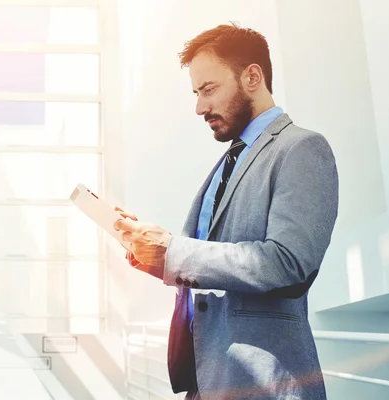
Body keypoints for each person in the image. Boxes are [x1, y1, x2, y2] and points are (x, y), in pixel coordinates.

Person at [113, 22, 339, 400]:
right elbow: (213, 265)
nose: (200, 107)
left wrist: (175, 251)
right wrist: (161, 259)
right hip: (207, 380)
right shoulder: (226, 165)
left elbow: (289, 264)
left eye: (209, 90)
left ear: (252, 77)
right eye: (196, 93)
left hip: (262, 385)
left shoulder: (301, 149)